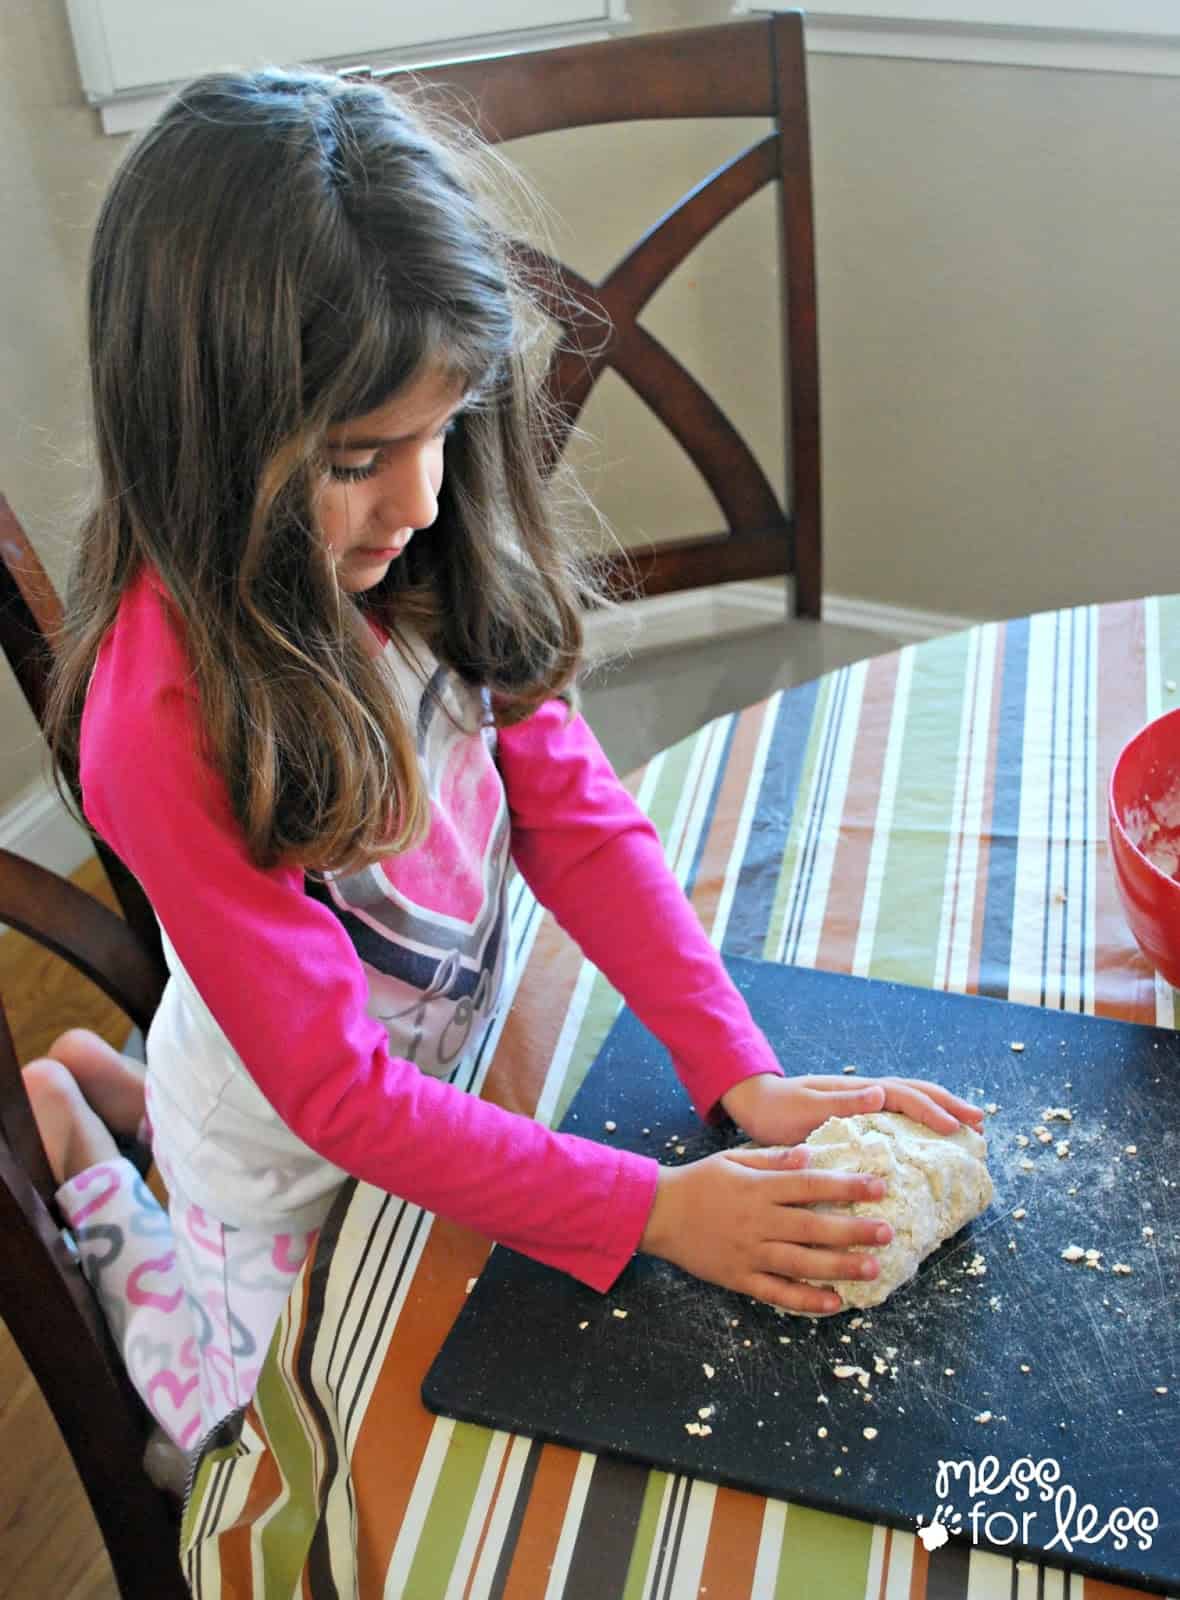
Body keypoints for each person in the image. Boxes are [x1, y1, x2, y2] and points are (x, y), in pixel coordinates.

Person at [31, 66, 983, 1459]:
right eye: (362, 455)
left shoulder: (433, 548)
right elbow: (335, 1094)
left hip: (417, 1068)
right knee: (224, 1417)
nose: (419, 500)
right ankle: (91, 1154)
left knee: (234, 1076)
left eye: (444, 427)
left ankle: (131, 1089)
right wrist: (653, 1213)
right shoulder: (158, 718)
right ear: (205, 442)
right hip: (289, 1148)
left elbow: (580, 822)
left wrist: (736, 1073)